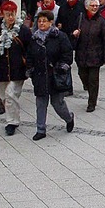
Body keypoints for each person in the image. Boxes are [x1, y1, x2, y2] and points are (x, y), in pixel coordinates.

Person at [0, 0, 31, 136]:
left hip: (17, 70)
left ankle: (12, 122)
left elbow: (30, 48)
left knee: (10, 94)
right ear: (2, 15)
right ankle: (13, 116)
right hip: (1, 69)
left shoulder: (23, 31)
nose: (10, 17)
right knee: (4, 96)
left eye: (12, 14)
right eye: (8, 14)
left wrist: (27, 61)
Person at [26, 10, 75, 140]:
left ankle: (69, 118)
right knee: (40, 103)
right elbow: (29, 55)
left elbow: (67, 54)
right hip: (40, 76)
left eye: (44, 21)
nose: (41, 23)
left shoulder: (60, 36)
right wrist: (30, 69)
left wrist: (61, 67)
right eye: (39, 21)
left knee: (57, 103)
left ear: (51, 22)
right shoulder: (34, 38)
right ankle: (40, 129)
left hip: (55, 76)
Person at [74, 0, 105, 112]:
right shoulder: (80, 18)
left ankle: (92, 102)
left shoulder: (101, 21)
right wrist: (74, 34)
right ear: (86, 7)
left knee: (93, 80)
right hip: (82, 53)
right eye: (92, 6)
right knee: (82, 74)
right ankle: (89, 90)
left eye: (96, 6)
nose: (95, 8)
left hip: (96, 54)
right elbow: (73, 35)